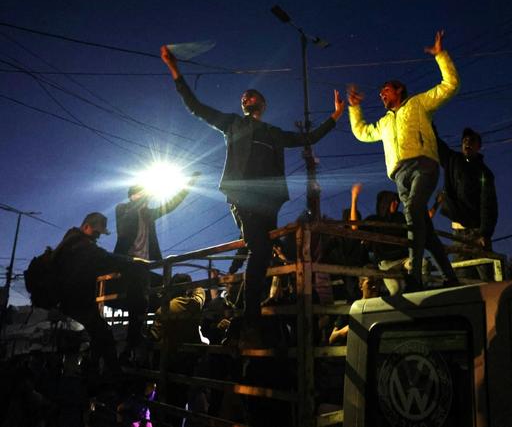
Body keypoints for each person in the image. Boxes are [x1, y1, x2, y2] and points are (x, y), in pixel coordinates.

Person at [161, 45, 345, 344]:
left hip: (268, 201)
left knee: (265, 253)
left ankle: (261, 313)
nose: (246, 97)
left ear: (262, 104)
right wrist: (174, 69)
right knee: (259, 249)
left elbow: (306, 137)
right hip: (243, 198)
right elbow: (197, 107)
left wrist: (336, 115)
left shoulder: (272, 132)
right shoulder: (233, 124)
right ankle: (250, 318)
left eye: (251, 95)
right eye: (243, 96)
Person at [347, 30, 459, 290]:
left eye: (386, 90)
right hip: (399, 176)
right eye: (381, 93)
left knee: (412, 212)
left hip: (423, 165)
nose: (382, 95)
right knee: (424, 229)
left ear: (399, 90)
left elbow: (450, 85)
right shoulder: (385, 122)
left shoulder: (418, 104)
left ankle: (414, 271)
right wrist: (354, 108)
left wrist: (440, 55)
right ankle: (449, 275)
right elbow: (362, 132)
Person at [54, 212, 151, 378]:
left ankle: (95, 374)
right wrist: (132, 262)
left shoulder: (71, 241)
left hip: (72, 300)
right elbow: (102, 257)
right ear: (86, 227)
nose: (97, 237)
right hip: (75, 301)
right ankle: (113, 378)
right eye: (96, 233)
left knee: (100, 334)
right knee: (103, 334)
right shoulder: (79, 245)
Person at [435, 127, 498, 280]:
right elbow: (438, 145)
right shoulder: (454, 161)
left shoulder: (484, 172)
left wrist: (485, 233)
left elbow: (488, 203)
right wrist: (427, 122)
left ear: (478, 146)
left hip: (476, 232)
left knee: (486, 277)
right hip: (458, 232)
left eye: (471, 141)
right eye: (464, 141)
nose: (467, 143)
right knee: (462, 277)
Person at [114, 172, 200, 261]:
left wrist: (190, 183)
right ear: (131, 197)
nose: (142, 197)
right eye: (138, 194)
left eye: (143, 195)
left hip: (144, 258)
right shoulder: (122, 207)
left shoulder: (148, 213)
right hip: (126, 255)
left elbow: (171, 205)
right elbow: (122, 229)